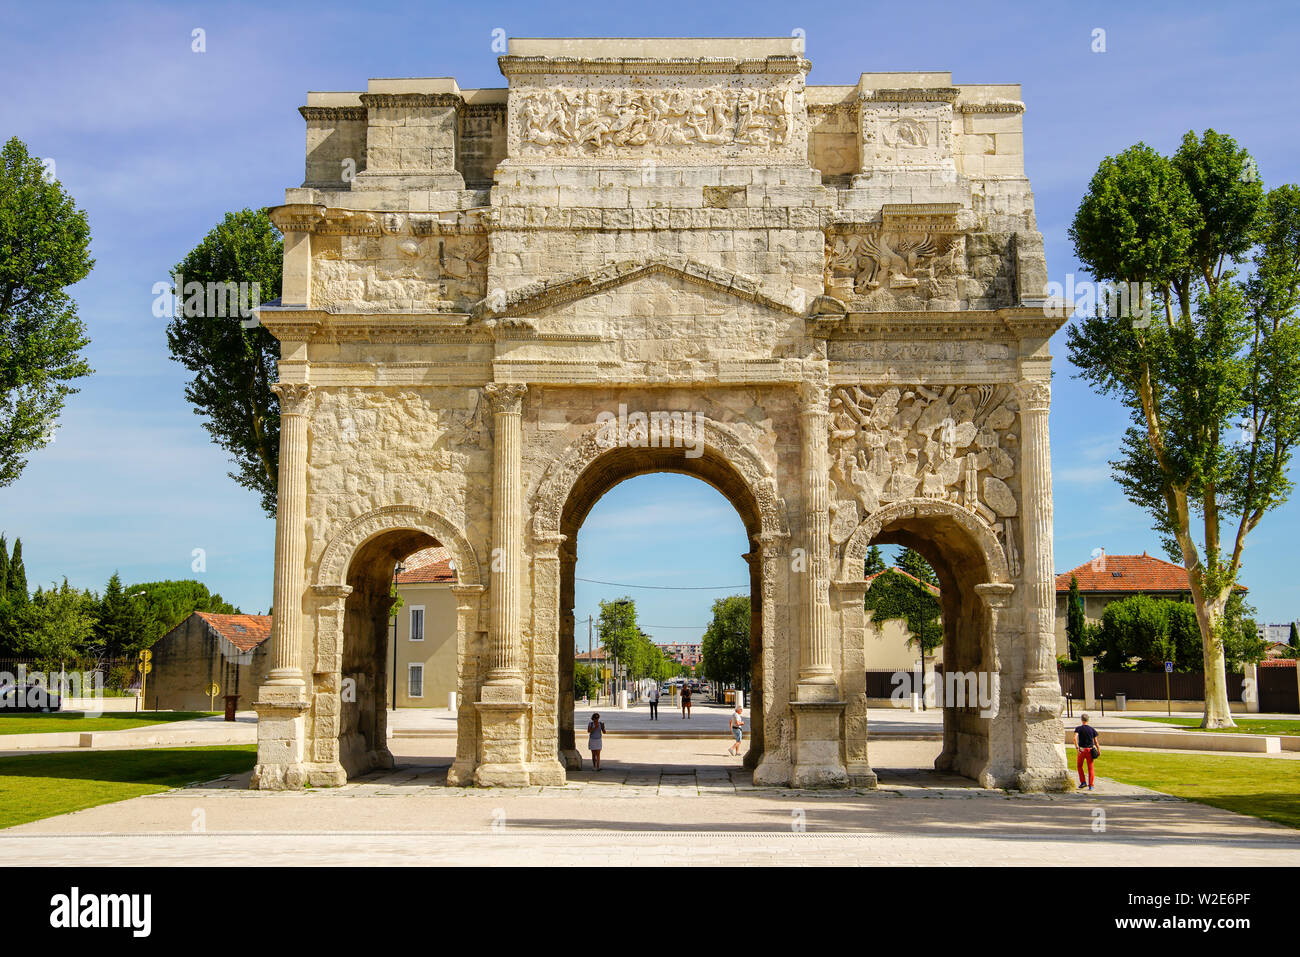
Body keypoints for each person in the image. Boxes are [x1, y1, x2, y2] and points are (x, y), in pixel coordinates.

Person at [1073, 713, 1100, 791]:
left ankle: (1083, 782)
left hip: (1081, 750)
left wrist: (1077, 748)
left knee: (1079, 766)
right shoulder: (1092, 729)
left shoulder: (1078, 728)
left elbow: (1074, 738)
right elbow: (1096, 741)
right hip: (1090, 750)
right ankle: (1091, 785)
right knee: (1090, 768)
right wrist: (1098, 750)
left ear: (1081, 720)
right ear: (1088, 720)